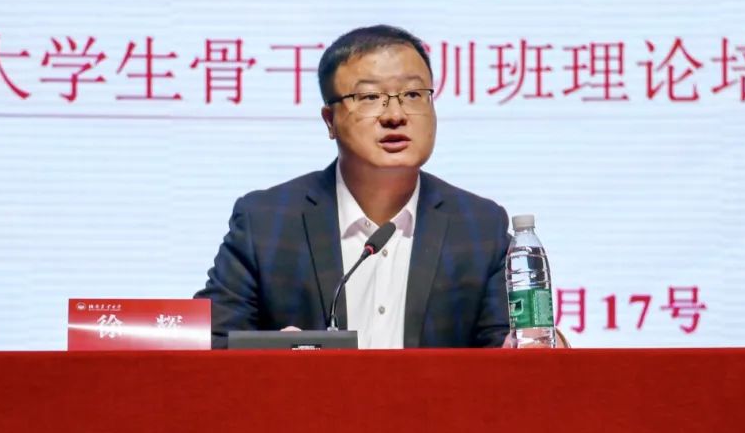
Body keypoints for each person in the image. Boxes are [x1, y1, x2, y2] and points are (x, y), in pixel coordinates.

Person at [195, 25, 511, 349]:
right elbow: (211, 342)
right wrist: (273, 356)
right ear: (330, 121)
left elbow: (508, 351)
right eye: (370, 97)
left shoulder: (480, 227)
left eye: (413, 94)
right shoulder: (266, 223)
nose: (395, 115)